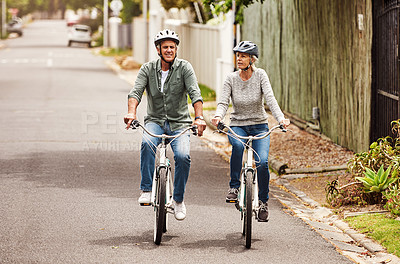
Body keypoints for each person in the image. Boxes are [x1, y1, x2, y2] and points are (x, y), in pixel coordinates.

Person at [124, 29, 206, 221]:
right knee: (147, 144)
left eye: (172, 47)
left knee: (183, 156)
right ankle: (146, 189)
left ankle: (178, 200)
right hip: (155, 121)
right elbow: (135, 92)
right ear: (158, 49)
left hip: (180, 123)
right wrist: (131, 112)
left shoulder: (185, 68)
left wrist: (199, 117)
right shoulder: (147, 69)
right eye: (165, 47)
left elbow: (195, 94)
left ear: (176, 49)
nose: (169, 50)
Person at [211, 41, 290, 222]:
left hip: (259, 125)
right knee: (238, 147)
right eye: (238, 55)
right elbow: (223, 102)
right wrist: (218, 116)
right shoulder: (231, 79)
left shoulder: (260, 75)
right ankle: (234, 187)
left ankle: (263, 202)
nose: (239, 59)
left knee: (262, 162)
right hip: (238, 125)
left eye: (243, 56)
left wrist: (281, 119)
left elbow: (270, 99)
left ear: (252, 59)